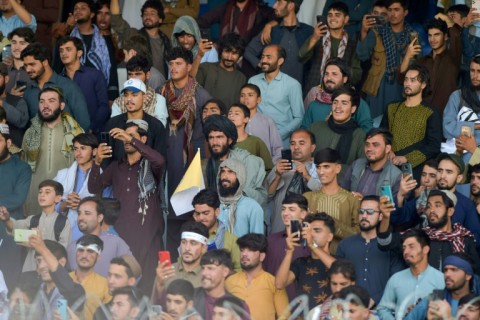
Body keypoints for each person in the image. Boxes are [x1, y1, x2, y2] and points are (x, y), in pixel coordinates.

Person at [88, 120, 165, 293]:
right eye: (124, 137)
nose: (125, 140)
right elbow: (94, 188)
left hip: (148, 234)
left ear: (143, 139)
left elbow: (160, 160)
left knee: (147, 285)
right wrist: (97, 162)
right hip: (122, 234)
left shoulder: (150, 166)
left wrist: (132, 140)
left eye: (131, 136)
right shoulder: (117, 166)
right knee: (122, 282)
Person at [161, 46, 211, 255]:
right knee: (168, 216)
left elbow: (206, 131)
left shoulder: (200, 95)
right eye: (171, 64)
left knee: (187, 212)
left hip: (190, 159)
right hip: (165, 156)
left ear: (189, 67)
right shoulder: (161, 92)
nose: (174, 67)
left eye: (179, 63)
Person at [391, 153, 480, 249]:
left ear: (458, 178)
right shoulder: (424, 197)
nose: (442, 176)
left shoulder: (466, 204)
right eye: (440, 171)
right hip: (425, 256)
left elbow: (476, 238)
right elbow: (398, 220)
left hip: (453, 258)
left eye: (449, 172)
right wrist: (401, 195)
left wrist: (456, 242)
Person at [378, 189, 480, 272]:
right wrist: (386, 217)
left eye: (437, 205)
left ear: (450, 211)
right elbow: (385, 242)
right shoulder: (419, 237)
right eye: (429, 206)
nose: (431, 210)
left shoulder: (465, 239)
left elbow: (475, 274)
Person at [21, 86, 84, 214]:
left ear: (61, 105)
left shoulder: (76, 133)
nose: (45, 105)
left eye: (51, 101)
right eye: (42, 101)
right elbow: (23, 168)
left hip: (64, 198)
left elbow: (83, 168)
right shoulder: (30, 133)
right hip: (34, 197)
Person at [336, 195, 405, 305]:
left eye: (370, 212)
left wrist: (374, 299)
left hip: (383, 310)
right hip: (350, 308)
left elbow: (397, 281)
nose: (364, 216)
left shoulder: (391, 246)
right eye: (361, 211)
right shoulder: (345, 244)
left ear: (381, 216)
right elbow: (338, 279)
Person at [380, 64, 442, 178]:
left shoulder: (430, 112)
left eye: (413, 80)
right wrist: (388, 151)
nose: (408, 84)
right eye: (406, 79)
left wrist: (406, 158)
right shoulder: (391, 107)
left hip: (415, 169)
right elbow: (382, 135)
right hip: (388, 163)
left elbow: (434, 146)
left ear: (423, 84)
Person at [357, 0, 415, 119]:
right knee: (372, 126)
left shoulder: (412, 36)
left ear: (405, 12)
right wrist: (364, 30)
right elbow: (362, 55)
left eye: (396, 10)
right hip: (377, 88)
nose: (392, 14)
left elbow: (414, 66)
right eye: (389, 10)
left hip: (400, 89)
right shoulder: (377, 32)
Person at [0, 179, 71, 272]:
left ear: (57, 198)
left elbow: (63, 251)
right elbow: (15, 229)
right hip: (30, 269)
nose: (42, 195)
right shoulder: (32, 219)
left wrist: (38, 244)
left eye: (47, 192)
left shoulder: (63, 222)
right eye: (40, 192)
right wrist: (7, 219)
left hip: (51, 272)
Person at [375, 229, 445, 320]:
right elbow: (383, 308)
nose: (406, 252)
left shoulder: (441, 279)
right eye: (404, 248)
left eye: (411, 247)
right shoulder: (396, 279)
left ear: (425, 249)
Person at [21, 42, 90, 131]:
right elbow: (27, 125)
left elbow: (83, 122)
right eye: (25, 65)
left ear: (45, 62)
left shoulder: (68, 86)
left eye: (32, 64)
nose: (28, 70)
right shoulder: (28, 91)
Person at [399, 17, 461, 115]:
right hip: (422, 115)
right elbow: (402, 79)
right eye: (429, 35)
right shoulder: (422, 61)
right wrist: (407, 56)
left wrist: (446, 18)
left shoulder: (453, 58)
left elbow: (456, 37)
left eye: (436, 35)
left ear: (445, 36)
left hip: (444, 115)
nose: (432, 39)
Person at [275, 212, 336, 309]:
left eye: (317, 231)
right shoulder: (300, 262)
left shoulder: (339, 261)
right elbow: (279, 284)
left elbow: (339, 269)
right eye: (309, 231)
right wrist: (290, 251)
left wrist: (312, 244)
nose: (311, 234)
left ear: (329, 237)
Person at [204, 114, 267, 208]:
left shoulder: (248, 161)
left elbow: (261, 197)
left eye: (219, 137)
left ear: (229, 140)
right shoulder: (203, 166)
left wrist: (237, 190)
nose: (215, 142)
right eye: (211, 137)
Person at [248, 44, 304, 148]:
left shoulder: (292, 84)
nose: (264, 60)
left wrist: (277, 135)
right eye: (263, 56)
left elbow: (299, 117)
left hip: (281, 143)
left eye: (269, 57)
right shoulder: (253, 81)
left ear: (280, 61)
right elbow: (247, 110)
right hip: (255, 140)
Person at [244, 0, 313, 85]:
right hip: (270, 89)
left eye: (279, 2)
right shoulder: (271, 30)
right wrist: (262, 64)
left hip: (298, 90)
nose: (274, 6)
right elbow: (248, 51)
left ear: (291, 6)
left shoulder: (308, 31)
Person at [304, 148, 360, 252]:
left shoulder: (352, 199)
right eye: (318, 167)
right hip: (312, 257)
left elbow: (358, 236)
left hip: (342, 258)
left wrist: (330, 222)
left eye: (326, 167)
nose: (321, 172)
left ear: (338, 168)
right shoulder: (308, 197)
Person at [299, 1, 362, 93]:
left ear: (346, 19)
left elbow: (357, 76)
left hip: (339, 95)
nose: (332, 18)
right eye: (330, 15)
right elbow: (300, 58)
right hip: (313, 92)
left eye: (337, 15)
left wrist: (338, 68)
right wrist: (314, 38)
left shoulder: (352, 45)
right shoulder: (317, 38)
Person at [266, 129, 320, 233]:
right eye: (292, 143)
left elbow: (324, 195)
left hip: (308, 230)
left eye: (302, 143)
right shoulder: (280, 167)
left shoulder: (319, 169)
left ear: (312, 147)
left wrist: (307, 176)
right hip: (279, 227)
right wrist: (277, 175)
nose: (296, 147)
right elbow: (267, 196)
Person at [104, 78, 167, 166]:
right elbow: (106, 158)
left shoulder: (156, 126)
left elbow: (160, 160)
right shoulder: (112, 124)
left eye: (134, 95)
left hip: (146, 178)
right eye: (126, 95)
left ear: (144, 97)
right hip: (118, 177)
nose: (129, 99)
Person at [226, 233, 288, 319]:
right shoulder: (229, 281)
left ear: (262, 256)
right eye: (242, 250)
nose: (244, 254)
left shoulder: (274, 283)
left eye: (250, 250)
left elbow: (285, 316)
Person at [66, 197, 133, 278]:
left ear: (99, 218)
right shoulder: (72, 246)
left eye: (87, 213)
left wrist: (117, 289)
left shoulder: (115, 242)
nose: (81, 217)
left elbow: (134, 272)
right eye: (79, 213)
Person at [302, 57, 373, 133]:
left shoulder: (357, 103)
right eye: (326, 74)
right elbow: (304, 132)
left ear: (345, 79)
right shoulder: (314, 104)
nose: (329, 78)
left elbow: (367, 131)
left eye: (334, 74)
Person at [58, 36, 110, 137]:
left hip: (93, 135)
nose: (64, 53)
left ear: (79, 53)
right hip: (66, 136)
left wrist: (91, 129)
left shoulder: (95, 75)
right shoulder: (58, 80)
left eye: (68, 49)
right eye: (61, 51)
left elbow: (104, 106)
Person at [0, 123, 31, 289]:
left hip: (12, 231)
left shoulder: (22, 168)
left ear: (9, 143)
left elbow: (18, 198)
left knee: (12, 282)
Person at [53, 133, 100, 241]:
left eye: (83, 148)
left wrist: (83, 205)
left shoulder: (103, 177)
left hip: (89, 231)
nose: (78, 153)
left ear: (94, 151)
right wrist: (65, 204)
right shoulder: (62, 175)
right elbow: (50, 204)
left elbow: (105, 207)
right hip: (62, 227)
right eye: (75, 149)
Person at [264, 193, 310, 300]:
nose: (285, 213)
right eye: (283, 209)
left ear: (303, 214)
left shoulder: (311, 242)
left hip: (300, 305)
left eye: (291, 209)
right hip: (273, 302)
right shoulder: (271, 239)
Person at [405, 253, 479, 319]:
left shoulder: (477, 303)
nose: (447, 274)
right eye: (445, 270)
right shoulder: (434, 299)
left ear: (468, 276)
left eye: (454, 270)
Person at [110, 0, 171, 78]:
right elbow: (116, 19)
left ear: (160, 19)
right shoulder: (134, 35)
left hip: (163, 87)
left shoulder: (166, 40)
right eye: (145, 13)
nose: (148, 16)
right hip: (142, 87)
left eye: (152, 13)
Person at [29, 237, 85, 320]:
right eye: (39, 261)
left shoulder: (75, 291)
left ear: (62, 262)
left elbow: (67, 286)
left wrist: (43, 249)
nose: (41, 266)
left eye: (46, 260)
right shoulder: (33, 290)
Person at [309, 87, 366, 168]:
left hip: (342, 180)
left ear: (353, 109)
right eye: (335, 102)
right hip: (310, 178)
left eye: (344, 103)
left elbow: (360, 169)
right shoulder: (315, 127)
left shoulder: (359, 135)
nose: (338, 106)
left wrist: (334, 169)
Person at [152, 221, 209, 302]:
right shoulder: (167, 271)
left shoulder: (208, 275)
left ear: (204, 248)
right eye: (184, 242)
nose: (187, 248)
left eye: (193, 243)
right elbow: (154, 307)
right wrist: (159, 283)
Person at [341, 128, 402, 199]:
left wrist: (364, 202)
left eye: (375, 145)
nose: (369, 149)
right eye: (367, 144)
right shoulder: (357, 164)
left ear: (387, 148)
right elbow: (342, 189)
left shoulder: (397, 176)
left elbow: (395, 208)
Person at [110, 55, 168, 127]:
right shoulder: (119, 102)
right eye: (130, 74)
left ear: (148, 75)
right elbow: (115, 128)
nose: (133, 78)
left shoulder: (158, 100)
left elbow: (160, 129)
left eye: (138, 74)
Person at [192, 188, 241, 272]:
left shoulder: (232, 240)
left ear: (217, 212)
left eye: (206, 213)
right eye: (197, 214)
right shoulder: (189, 238)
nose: (201, 218)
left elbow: (239, 272)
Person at [193, 249, 250, 320]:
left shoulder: (238, 306)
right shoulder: (189, 297)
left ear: (225, 272)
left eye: (210, 268)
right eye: (203, 268)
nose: (204, 273)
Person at [196, 32, 246, 107]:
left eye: (234, 53)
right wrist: (199, 56)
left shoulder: (241, 78)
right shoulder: (206, 68)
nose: (229, 57)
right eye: (227, 51)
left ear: (240, 56)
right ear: (221, 51)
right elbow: (189, 85)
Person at [217, 158, 265, 237]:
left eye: (230, 172)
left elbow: (257, 242)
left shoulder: (252, 207)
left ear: (240, 176)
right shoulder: (214, 205)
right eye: (223, 171)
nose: (225, 176)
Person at [444, 55, 480, 159]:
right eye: (472, 71)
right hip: (462, 158)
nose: (475, 75)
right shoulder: (458, 96)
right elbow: (447, 127)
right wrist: (476, 126)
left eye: (479, 71)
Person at [69, 234, 111, 320]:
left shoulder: (105, 285)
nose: (84, 255)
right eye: (80, 250)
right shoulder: (63, 279)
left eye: (90, 251)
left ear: (98, 257)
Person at [68, 0, 111, 83]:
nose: (78, 11)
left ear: (92, 14)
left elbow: (111, 69)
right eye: (75, 8)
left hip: (98, 88)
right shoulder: (68, 38)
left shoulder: (103, 39)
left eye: (83, 8)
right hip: (73, 88)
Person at [197, 0, 275, 44]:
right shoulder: (226, 8)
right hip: (225, 54)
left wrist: (269, 25)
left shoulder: (260, 9)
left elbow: (280, 18)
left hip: (247, 59)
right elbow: (201, 22)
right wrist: (210, 44)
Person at [240, 83, 282, 163]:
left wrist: (270, 167)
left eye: (250, 95)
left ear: (258, 100)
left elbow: (278, 149)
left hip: (265, 169)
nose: (245, 98)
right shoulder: (234, 121)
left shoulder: (267, 121)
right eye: (242, 95)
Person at [227, 103, 274, 172]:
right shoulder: (223, 141)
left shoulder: (256, 142)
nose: (231, 116)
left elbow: (269, 169)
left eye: (236, 114)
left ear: (246, 119)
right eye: (229, 113)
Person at [92, 256, 142, 320]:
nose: (110, 281)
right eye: (109, 275)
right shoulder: (101, 312)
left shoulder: (143, 310)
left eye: (117, 276)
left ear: (131, 281)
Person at [0, 63, 29, 148]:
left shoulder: (18, 101)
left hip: (12, 155)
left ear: (6, 79)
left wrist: (2, 103)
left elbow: (22, 121)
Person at [5, 27, 35, 103]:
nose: (17, 47)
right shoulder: (3, 70)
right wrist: (10, 97)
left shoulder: (36, 71)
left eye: (22, 43)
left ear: (31, 46)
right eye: (14, 42)